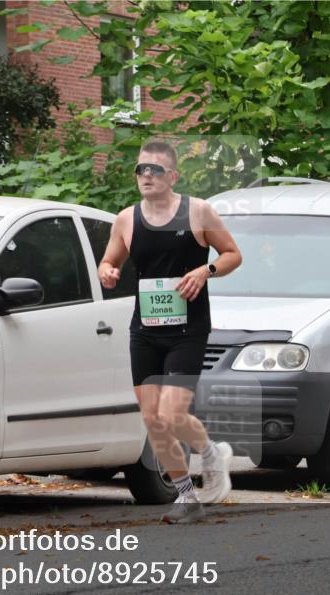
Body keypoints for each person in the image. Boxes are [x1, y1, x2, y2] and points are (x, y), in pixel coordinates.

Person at [98, 140, 243, 524]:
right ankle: (187, 497)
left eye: (155, 170)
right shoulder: (126, 219)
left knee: (171, 413)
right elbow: (110, 259)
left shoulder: (198, 211)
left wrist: (204, 271)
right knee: (153, 419)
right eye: (141, 169)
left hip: (188, 330)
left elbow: (232, 254)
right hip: (145, 330)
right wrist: (107, 271)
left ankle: (211, 454)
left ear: (173, 176)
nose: (146, 175)